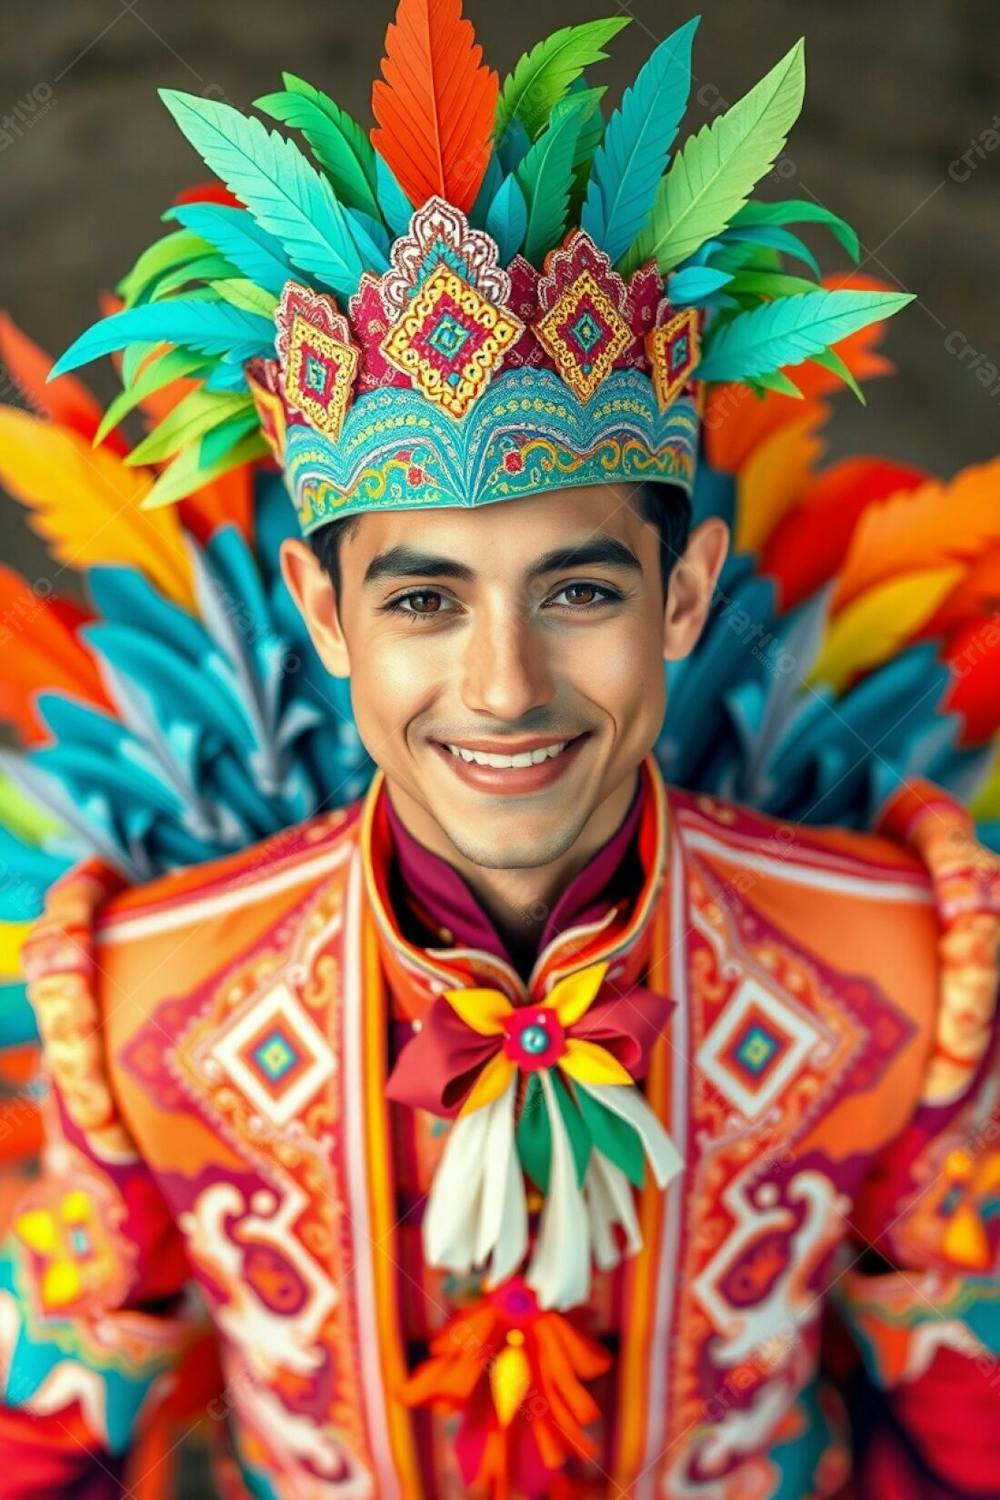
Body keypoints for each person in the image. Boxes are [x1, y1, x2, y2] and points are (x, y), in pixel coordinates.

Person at [0, 3, 997, 1496]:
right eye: (422, 599)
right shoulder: (141, 1004)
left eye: (580, 591)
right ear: (323, 617)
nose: (505, 683)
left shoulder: (907, 979)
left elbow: (958, 1436)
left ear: (688, 593)